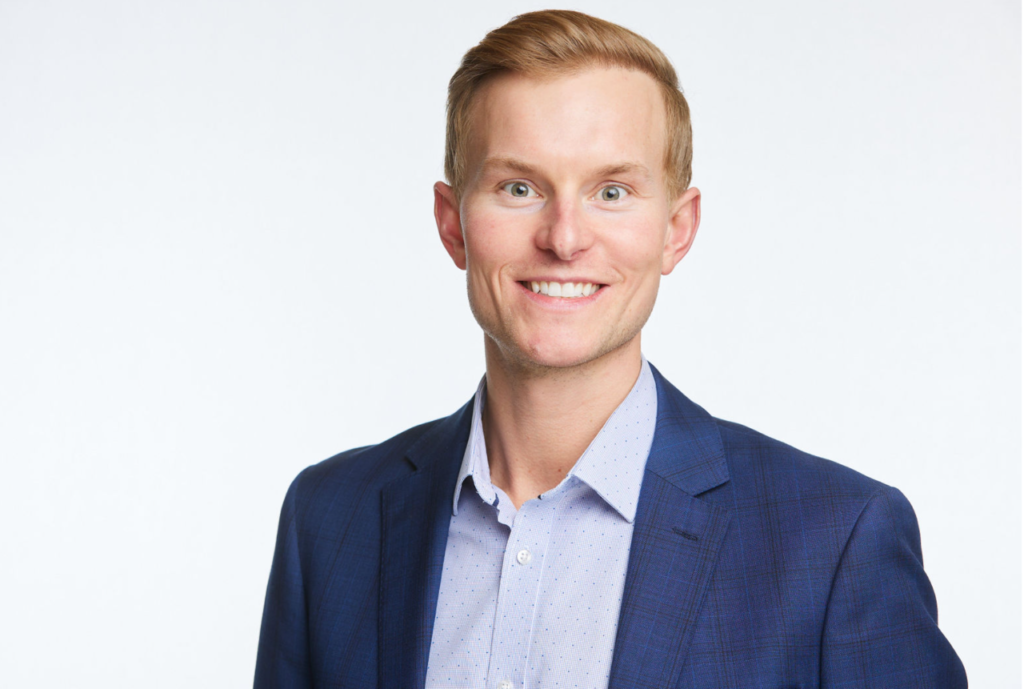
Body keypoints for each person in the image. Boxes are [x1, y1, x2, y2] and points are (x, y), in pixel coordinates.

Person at [254, 10, 966, 689]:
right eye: (519, 186)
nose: (564, 238)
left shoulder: (834, 542)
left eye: (613, 191)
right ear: (453, 225)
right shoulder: (330, 520)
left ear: (676, 231)